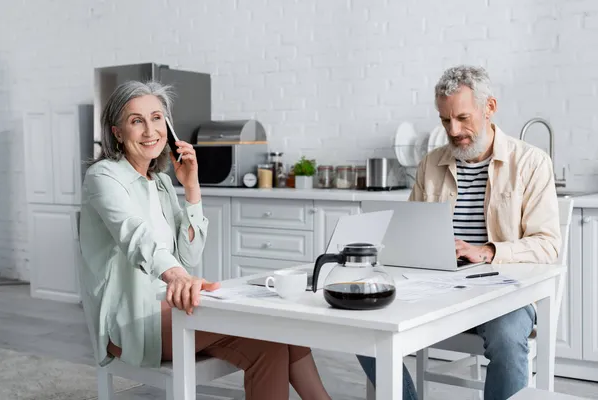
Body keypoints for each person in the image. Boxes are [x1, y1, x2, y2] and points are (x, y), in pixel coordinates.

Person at [78, 80, 332, 400]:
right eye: (136, 120)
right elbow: (135, 236)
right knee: (272, 331)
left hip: (177, 306)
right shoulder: (102, 177)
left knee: (277, 335)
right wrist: (179, 276)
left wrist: (192, 188)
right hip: (132, 322)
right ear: (117, 133)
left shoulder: (161, 184)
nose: (150, 130)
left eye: (157, 118)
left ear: (168, 126)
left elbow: (189, 256)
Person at [358, 65, 561, 400]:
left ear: (490, 107)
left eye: (463, 118)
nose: (454, 130)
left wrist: (487, 251)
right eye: (445, 120)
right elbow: (411, 232)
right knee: (363, 319)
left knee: (508, 337)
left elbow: (548, 245)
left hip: (504, 291)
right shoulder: (431, 163)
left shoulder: (531, 163)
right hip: (438, 287)